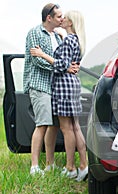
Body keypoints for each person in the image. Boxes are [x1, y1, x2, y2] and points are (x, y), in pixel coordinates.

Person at [30, 10, 88, 182]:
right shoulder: (76, 39)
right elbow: (67, 62)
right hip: (73, 84)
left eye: (65, 18)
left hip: (63, 85)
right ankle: (83, 166)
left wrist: (42, 54)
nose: (62, 20)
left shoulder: (68, 40)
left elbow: (62, 64)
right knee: (75, 126)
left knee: (66, 128)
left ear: (70, 23)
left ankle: (70, 167)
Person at [23, 3, 65, 175]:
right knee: (42, 125)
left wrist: (60, 64)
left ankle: (50, 164)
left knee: (54, 125)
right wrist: (60, 66)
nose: (62, 19)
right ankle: (34, 166)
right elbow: (37, 61)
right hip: (40, 85)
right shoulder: (34, 33)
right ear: (49, 18)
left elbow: (63, 58)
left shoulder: (58, 36)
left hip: (56, 86)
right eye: (59, 16)